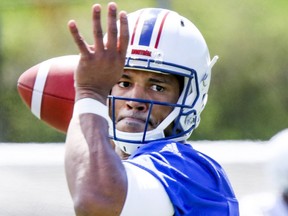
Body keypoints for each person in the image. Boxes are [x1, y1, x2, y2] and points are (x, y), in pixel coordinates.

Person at [65, 2, 239, 215]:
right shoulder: (108, 167)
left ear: (189, 96)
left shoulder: (188, 169)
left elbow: (96, 200)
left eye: (157, 87)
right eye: (124, 83)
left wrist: (89, 94)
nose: (135, 100)